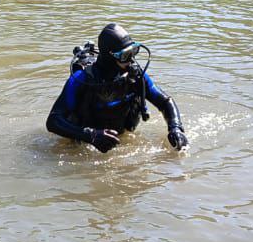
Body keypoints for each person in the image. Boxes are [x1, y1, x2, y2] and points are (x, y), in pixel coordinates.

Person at [47, 24, 188, 153]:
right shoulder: (81, 79)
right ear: (110, 57)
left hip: (120, 135)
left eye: (134, 51)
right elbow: (53, 121)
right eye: (125, 55)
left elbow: (165, 101)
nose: (131, 60)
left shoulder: (135, 75)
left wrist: (175, 128)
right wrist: (90, 136)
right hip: (85, 144)